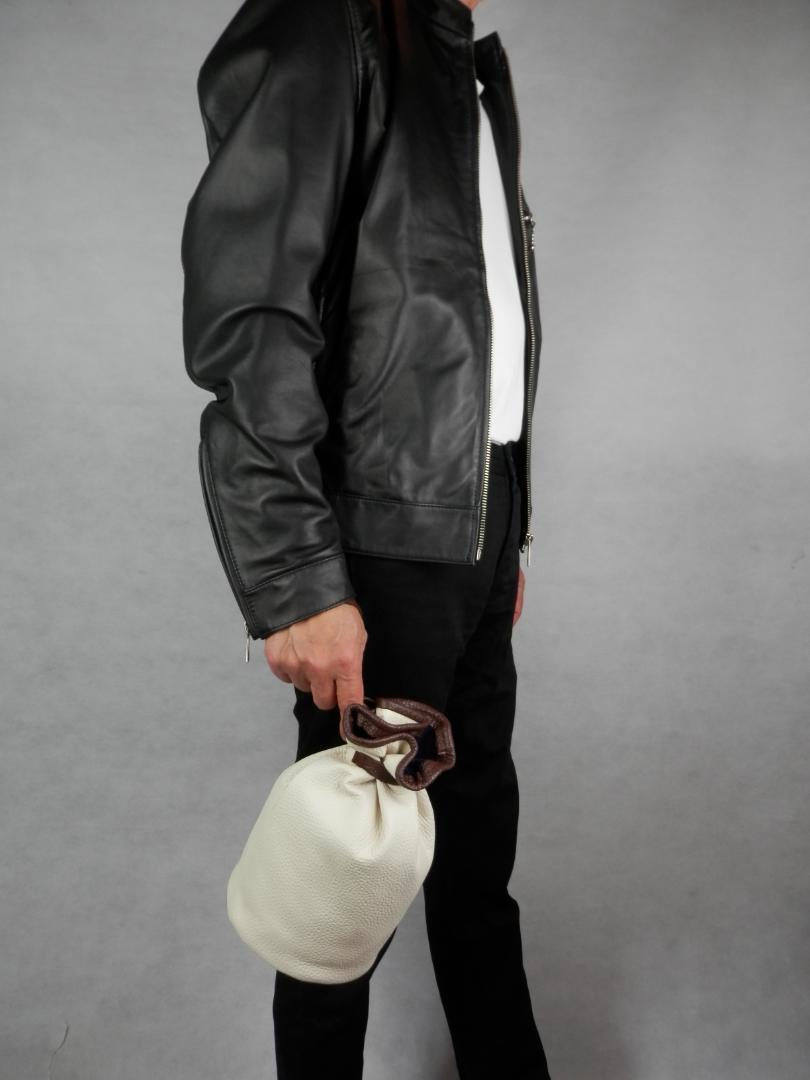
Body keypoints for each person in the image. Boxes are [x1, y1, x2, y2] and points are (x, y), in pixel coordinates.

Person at [181, 0, 550, 1076]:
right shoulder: (327, 23)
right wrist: (294, 575)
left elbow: (476, 332)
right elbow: (253, 313)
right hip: (382, 542)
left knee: (475, 870)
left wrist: (506, 530)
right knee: (340, 892)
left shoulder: (460, 64)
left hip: (473, 519)